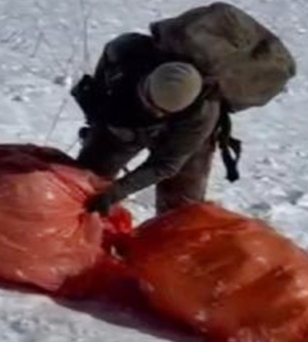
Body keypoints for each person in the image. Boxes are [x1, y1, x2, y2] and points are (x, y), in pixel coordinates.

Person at [69, 32, 221, 215]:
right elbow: (103, 89)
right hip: (126, 114)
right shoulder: (127, 53)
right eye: (149, 101)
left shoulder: (201, 116)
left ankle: (171, 238)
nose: (152, 112)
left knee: (180, 209)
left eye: (159, 111)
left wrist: (117, 191)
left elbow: (165, 165)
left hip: (183, 137)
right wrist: (99, 118)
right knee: (85, 182)